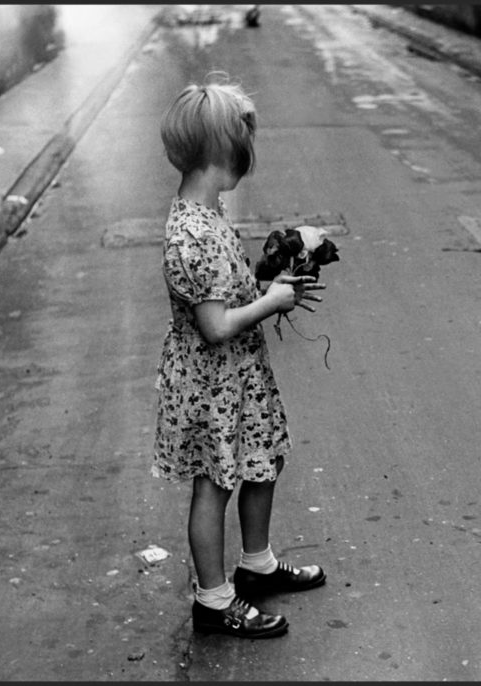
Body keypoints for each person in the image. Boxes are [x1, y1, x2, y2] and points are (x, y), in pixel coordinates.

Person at [153, 74, 327, 639]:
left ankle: (256, 565)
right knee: (215, 482)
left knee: (261, 461)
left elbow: (229, 294)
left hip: (240, 377)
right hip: (210, 383)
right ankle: (214, 598)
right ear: (221, 151)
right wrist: (269, 302)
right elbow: (215, 324)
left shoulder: (210, 213)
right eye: (241, 143)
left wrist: (271, 282)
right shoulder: (190, 234)